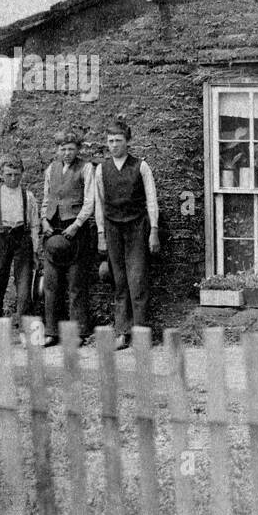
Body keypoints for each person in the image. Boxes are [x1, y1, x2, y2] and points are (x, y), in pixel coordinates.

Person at [94, 120, 160, 350]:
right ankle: (122, 332)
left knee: (137, 280)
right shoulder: (101, 169)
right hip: (113, 229)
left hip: (137, 228)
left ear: (128, 142)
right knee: (120, 282)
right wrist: (101, 233)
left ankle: (141, 333)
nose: (114, 146)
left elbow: (152, 200)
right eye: (110, 141)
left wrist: (154, 231)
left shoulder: (141, 167)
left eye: (118, 141)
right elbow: (99, 204)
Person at [0, 154, 41, 349]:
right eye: (8, 174)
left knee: (24, 289)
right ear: (1, 175)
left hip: (22, 239)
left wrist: (35, 249)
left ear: (22, 174)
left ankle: (25, 332)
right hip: (1, 238)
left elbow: (34, 224)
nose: (13, 178)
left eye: (16, 174)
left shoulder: (27, 196)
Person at [40, 129, 96, 347]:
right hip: (53, 230)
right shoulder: (50, 169)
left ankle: (78, 332)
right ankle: (52, 331)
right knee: (51, 285)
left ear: (78, 149)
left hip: (76, 232)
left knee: (76, 284)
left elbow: (90, 201)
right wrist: (44, 220)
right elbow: (47, 198)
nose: (66, 153)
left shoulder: (86, 168)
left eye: (71, 149)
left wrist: (77, 224)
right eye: (62, 149)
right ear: (57, 149)